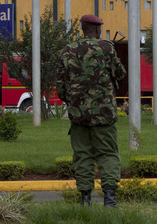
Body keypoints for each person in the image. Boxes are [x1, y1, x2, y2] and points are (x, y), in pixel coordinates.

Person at [57, 14, 126, 208]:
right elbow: (120, 73)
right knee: (108, 154)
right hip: (104, 115)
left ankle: (85, 199)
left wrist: (73, 102)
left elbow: (60, 85)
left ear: (82, 29)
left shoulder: (68, 50)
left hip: (79, 116)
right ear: (97, 30)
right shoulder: (106, 48)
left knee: (82, 155)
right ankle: (110, 199)